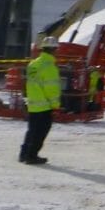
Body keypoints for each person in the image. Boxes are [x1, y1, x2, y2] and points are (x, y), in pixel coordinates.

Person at [20, 36, 61, 165]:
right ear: (54, 50)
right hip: (44, 106)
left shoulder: (33, 64)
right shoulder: (50, 67)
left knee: (32, 130)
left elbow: (28, 84)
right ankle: (32, 156)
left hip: (33, 104)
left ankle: (24, 154)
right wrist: (55, 106)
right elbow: (52, 89)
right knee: (41, 132)